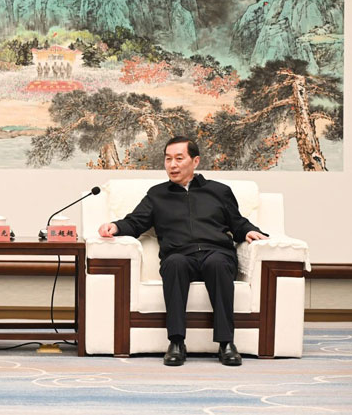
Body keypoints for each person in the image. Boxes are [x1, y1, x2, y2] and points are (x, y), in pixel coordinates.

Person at [98, 136, 268, 367]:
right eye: (168, 159)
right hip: (179, 255)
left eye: (179, 158)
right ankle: (176, 342)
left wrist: (249, 231)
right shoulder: (157, 194)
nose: (172, 165)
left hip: (216, 252)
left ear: (195, 161)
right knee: (174, 264)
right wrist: (115, 227)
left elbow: (237, 222)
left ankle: (226, 343)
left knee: (217, 264)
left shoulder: (219, 191)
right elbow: (135, 222)